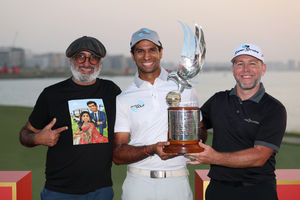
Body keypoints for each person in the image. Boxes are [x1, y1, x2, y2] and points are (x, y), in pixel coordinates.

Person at [19, 36, 121, 200]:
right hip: (59, 191)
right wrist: (37, 138)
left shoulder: (111, 91)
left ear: (100, 62)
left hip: (101, 190)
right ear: (71, 59)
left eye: (93, 57)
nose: (87, 63)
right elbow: (25, 134)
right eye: (81, 56)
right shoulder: (51, 94)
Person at [186, 43, 287, 200]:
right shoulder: (218, 100)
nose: (246, 69)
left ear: (263, 69)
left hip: (258, 192)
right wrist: (183, 97)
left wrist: (214, 157)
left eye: (252, 63)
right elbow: (196, 125)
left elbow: (259, 156)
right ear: (233, 69)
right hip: (218, 190)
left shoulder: (274, 108)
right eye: (240, 64)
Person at [113, 28, 199, 200]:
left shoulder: (184, 87)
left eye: (152, 49)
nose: (146, 56)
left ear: (161, 52)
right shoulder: (123, 98)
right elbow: (118, 154)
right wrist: (151, 149)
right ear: (132, 55)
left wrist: (193, 143)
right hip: (138, 183)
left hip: (177, 181)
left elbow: (198, 131)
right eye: (140, 51)